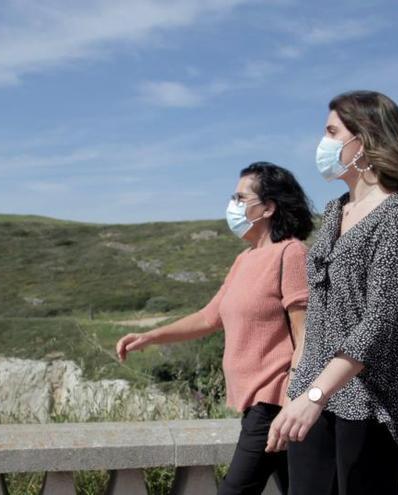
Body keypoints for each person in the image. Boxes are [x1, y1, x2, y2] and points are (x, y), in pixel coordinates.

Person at [116, 162, 314, 494]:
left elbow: (306, 333)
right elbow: (210, 316)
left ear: (268, 207)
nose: (232, 205)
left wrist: (295, 397)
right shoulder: (245, 259)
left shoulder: (291, 253)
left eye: (240, 197)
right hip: (255, 405)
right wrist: (150, 336)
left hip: (275, 402)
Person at [265, 91, 398, 495]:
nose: (323, 143)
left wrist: (316, 394)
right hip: (315, 392)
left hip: (367, 399)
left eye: (332, 131)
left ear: (366, 139)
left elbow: (379, 323)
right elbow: (318, 309)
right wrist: (299, 387)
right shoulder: (336, 210)